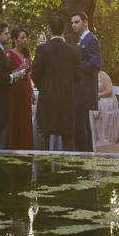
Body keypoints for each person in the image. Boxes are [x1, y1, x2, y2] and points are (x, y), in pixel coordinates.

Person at [31, 17, 82, 151]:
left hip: (47, 98)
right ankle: (68, 167)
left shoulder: (42, 49)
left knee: (43, 131)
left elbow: (35, 74)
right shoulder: (73, 50)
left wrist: (44, 87)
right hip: (66, 97)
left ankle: (43, 166)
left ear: (49, 29)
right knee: (67, 134)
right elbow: (78, 76)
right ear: (63, 31)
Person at [0, 23, 25, 149]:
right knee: (1, 137)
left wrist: (14, 72)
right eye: (6, 33)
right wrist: (12, 77)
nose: (9, 36)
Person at [71, 12, 101, 152]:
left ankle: (82, 155)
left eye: (76, 22)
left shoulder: (91, 40)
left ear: (85, 22)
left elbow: (96, 64)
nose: (73, 25)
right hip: (80, 87)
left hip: (85, 88)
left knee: (79, 124)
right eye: (72, 23)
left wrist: (76, 67)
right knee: (83, 123)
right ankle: (88, 153)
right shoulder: (82, 40)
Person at [7, 27, 35, 150]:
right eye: (22, 38)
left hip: (26, 87)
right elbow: (6, 74)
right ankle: (15, 145)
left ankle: (27, 146)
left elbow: (28, 75)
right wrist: (18, 69)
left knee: (26, 117)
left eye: (26, 38)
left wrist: (32, 92)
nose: (25, 40)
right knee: (17, 116)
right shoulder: (9, 54)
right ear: (15, 40)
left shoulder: (26, 54)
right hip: (15, 88)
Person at [92, 71, 119, 147]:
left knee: (98, 105)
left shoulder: (102, 75)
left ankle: (103, 136)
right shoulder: (88, 76)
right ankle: (93, 135)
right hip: (97, 99)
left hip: (108, 99)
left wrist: (97, 96)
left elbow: (109, 91)